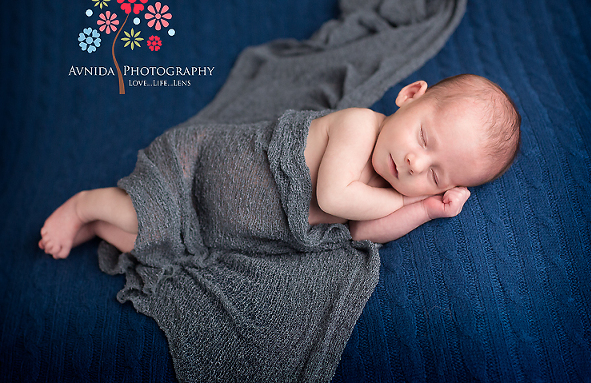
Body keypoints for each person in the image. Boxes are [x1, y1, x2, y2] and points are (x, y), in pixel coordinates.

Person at [39, 73, 520, 257]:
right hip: (206, 172)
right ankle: (85, 205)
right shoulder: (358, 126)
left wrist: (425, 210)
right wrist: (405, 196)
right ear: (410, 96)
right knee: (140, 213)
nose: (415, 163)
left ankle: (97, 225)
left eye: (435, 174)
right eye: (422, 138)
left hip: (220, 226)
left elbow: (361, 232)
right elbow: (335, 199)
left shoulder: (392, 191)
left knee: (148, 244)